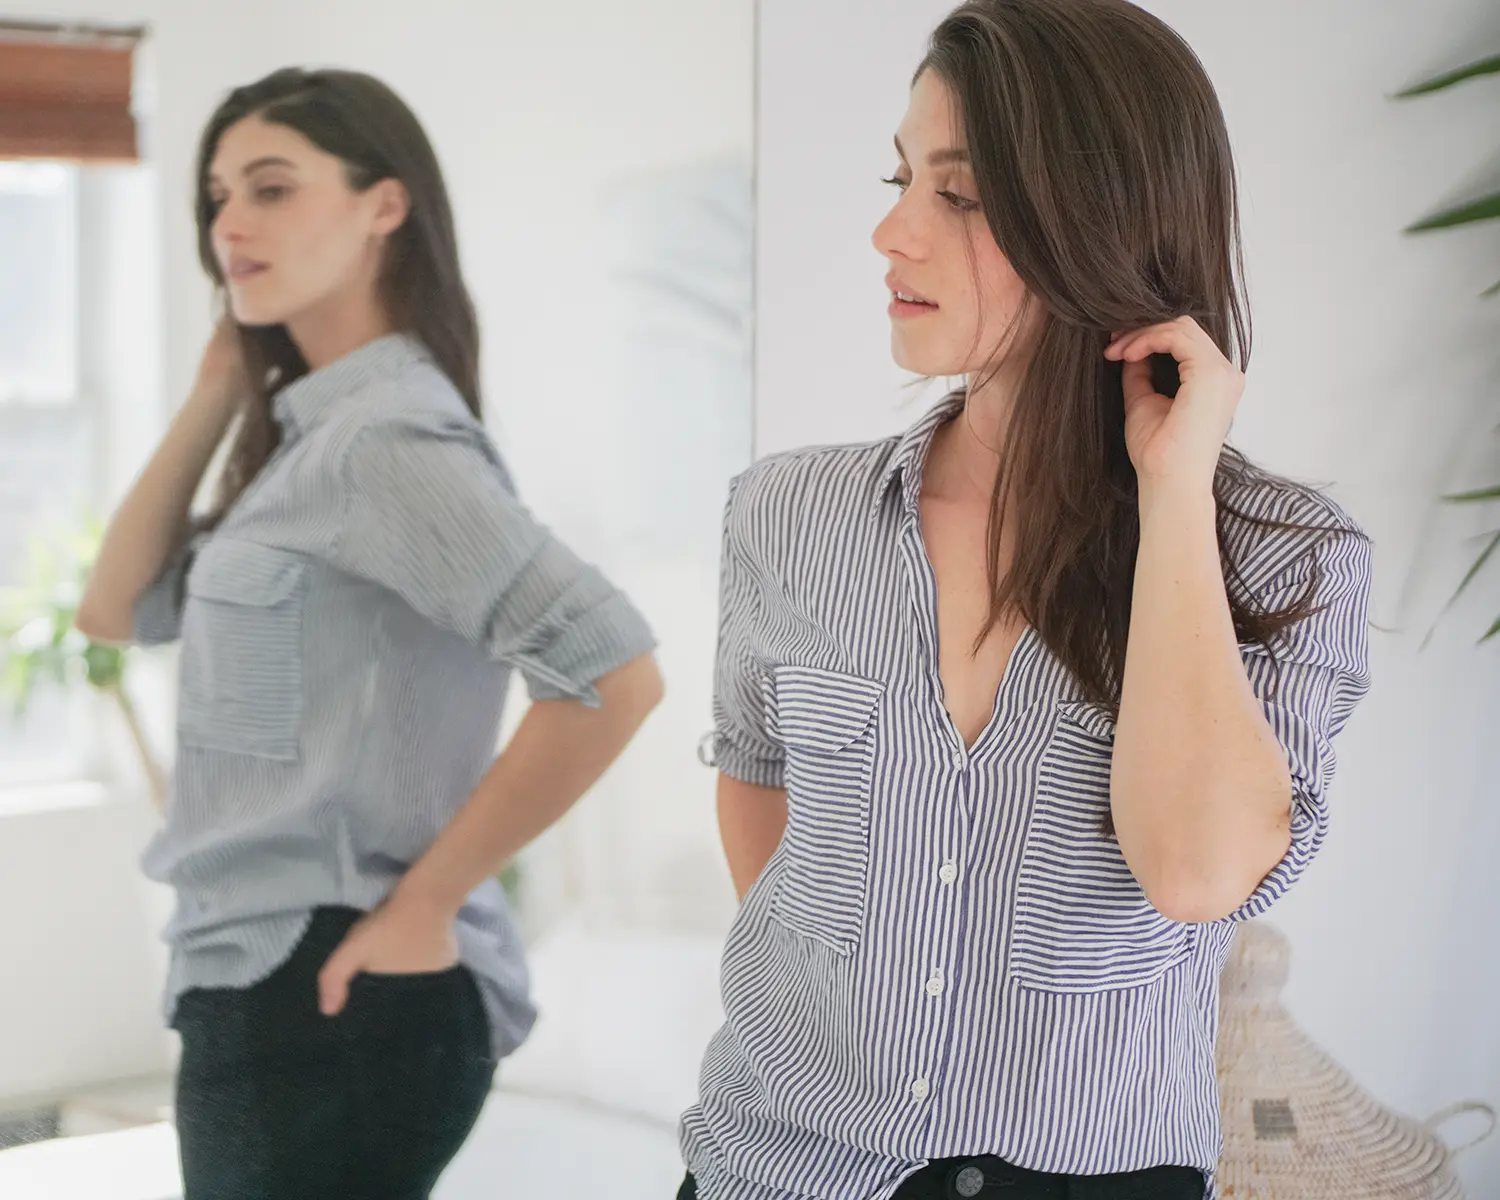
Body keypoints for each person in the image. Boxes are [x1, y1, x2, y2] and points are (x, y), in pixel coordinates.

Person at [677, 2, 1372, 1198]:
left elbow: (1198, 876)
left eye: (960, 193)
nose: (891, 230)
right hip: (777, 1166)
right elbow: (759, 778)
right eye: (902, 178)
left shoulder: (1286, 559)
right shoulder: (785, 516)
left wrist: (1171, 495)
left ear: (1096, 218)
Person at [75, 67, 663, 1200]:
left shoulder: (383, 444)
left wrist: (427, 903)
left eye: (272, 187)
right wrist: (217, 390)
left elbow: (616, 673)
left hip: (333, 989)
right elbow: (118, 605)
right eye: (216, 196)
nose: (228, 224)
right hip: (271, 986)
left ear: (383, 206)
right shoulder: (313, 446)